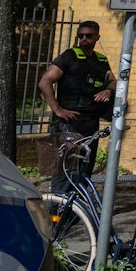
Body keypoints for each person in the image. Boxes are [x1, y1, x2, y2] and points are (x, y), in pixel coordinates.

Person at [38, 20, 114, 193]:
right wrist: (57, 109)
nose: (84, 39)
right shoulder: (69, 56)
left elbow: (114, 82)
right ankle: (57, 213)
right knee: (65, 168)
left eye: (89, 36)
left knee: (84, 168)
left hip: (91, 122)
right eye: (81, 35)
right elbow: (45, 82)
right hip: (69, 122)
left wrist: (108, 91)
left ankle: (76, 212)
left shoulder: (100, 60)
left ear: (97, 37)